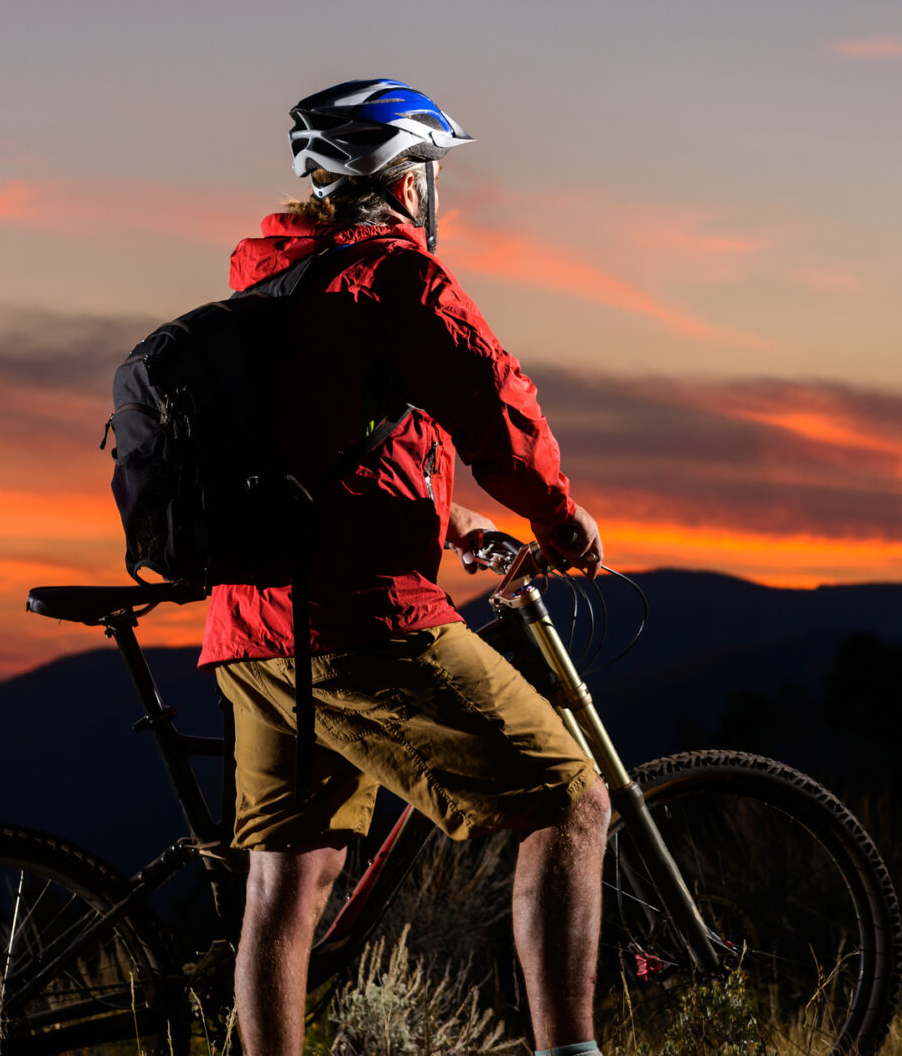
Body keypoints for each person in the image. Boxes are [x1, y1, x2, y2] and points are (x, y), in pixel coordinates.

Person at [200, 79, 611, 1056]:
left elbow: (322, 454)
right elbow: (497, 410)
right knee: (570, 801)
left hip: (254, 627)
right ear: (402, 176)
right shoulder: (398, 277)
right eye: (433, 170)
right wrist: (559, 519)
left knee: (284, 887)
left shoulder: (269, 283)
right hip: (360, 626)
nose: (439, 192)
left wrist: (447, 520)